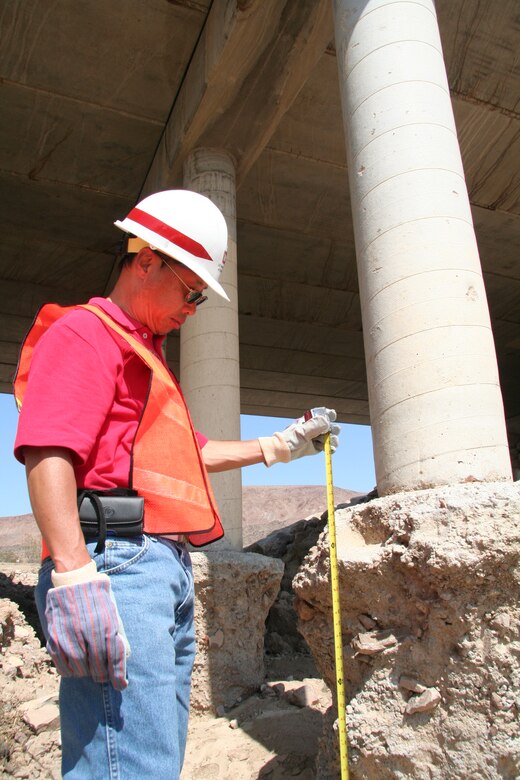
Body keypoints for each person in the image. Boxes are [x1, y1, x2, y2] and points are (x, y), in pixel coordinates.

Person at [13, 189, 340, 779]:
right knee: (129, 765)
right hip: (113, 567)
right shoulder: (86, 333)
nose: (194, 308)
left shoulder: (145, 355)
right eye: (191, 291)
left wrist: (284, 445)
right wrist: (73, 571)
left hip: (158, 568)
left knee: (151, 757)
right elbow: (48, 450)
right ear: (146, 262)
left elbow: (195, 453)